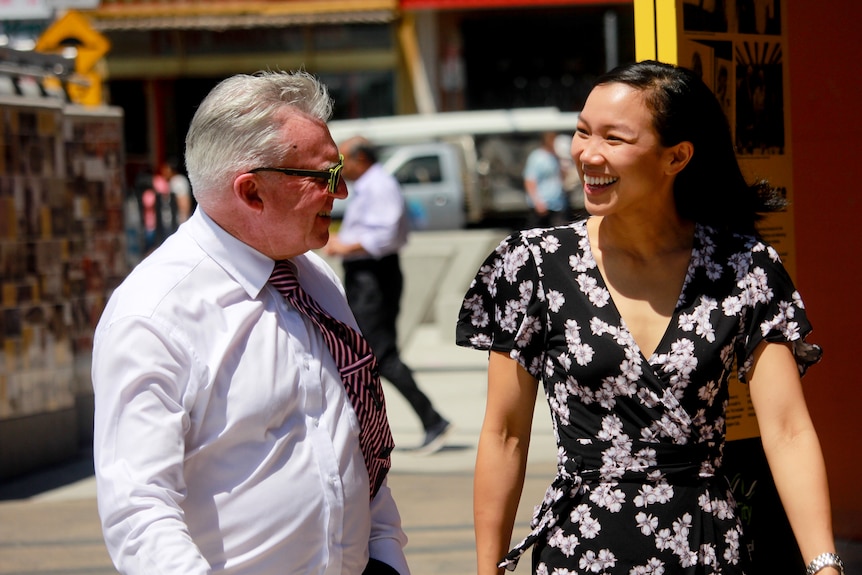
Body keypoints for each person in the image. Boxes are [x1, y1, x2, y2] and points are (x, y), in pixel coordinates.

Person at [457, 60, 841, 575]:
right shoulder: (531, 265)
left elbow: (788, 430)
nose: (587, 154)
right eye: (582, 131)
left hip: (705, 549)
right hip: (579, 550)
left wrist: (824, 564)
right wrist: (488, 569)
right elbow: (505, 434)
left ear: (676, 157)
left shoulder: (743, 266)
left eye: (615, 138)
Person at [92, 70, 410, 575]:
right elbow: (139, 512)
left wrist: (387, 555)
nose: (342, 193)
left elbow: (356, 438)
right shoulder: (155, 314)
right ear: (252, 192)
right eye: (325, 176)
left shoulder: (316, 278)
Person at [325, 136, 452, 455]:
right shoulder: (369, 185)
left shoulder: (379, 185)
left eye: (343, 159)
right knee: (364, 352)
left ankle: (432, 419)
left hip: (374, 276)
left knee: (377, 352)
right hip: (365, 275)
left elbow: (384, 234)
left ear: (360, 159)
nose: (340, 167)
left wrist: (344, 246)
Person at [522, 130, 571, 229]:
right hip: (542, 203)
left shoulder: (556, 157)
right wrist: (537, 202)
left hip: (558, 203)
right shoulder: (537, 157)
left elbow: (561, 177)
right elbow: (530, 180)